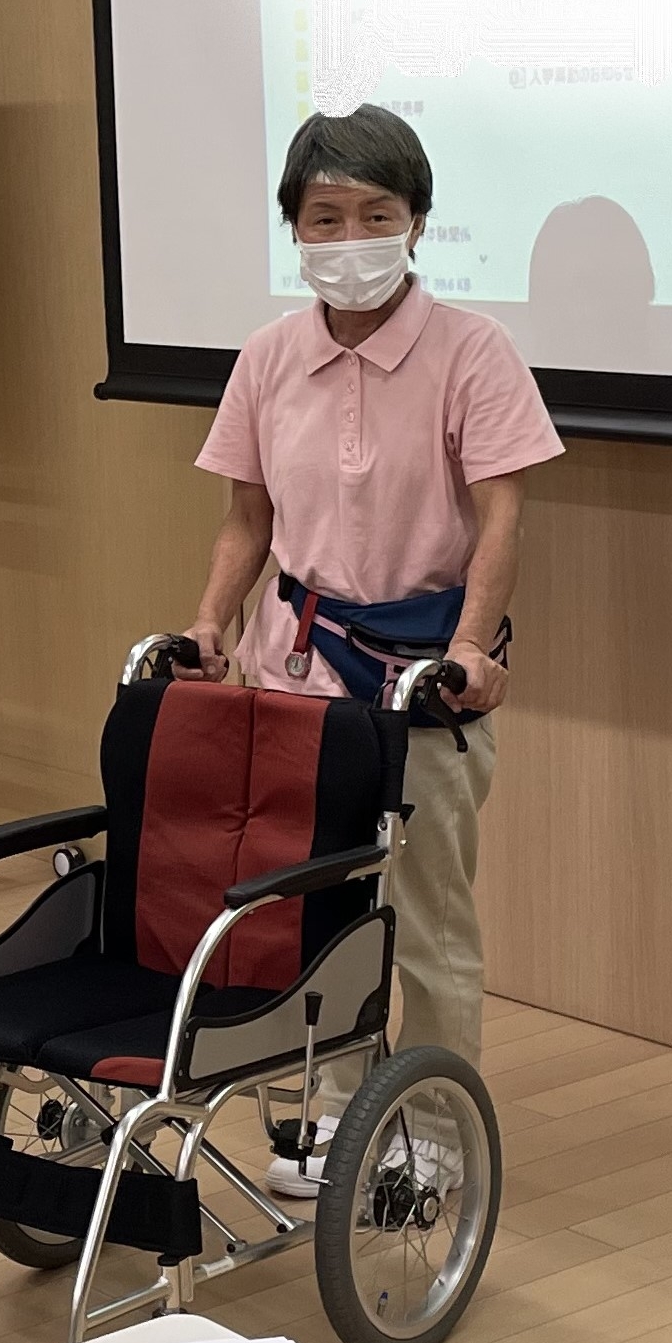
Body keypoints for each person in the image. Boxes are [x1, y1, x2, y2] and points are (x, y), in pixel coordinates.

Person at [184, 105, 561, 1192]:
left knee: (426, 914)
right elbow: (244, 522)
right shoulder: (267, 358)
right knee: (310, 906)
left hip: (419, 681)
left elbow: (499, 520)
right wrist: (207, 621)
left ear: (418, 222)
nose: (349, 238)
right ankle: (330, 1104)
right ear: (294, 232)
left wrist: (470, 649)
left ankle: (438, 1127)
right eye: (324, 217)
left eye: (375, 214)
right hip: (290, 672)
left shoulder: (471, 354)